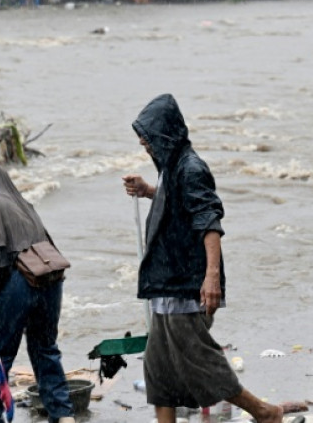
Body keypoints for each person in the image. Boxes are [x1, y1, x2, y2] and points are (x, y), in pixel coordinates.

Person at [121, 94, 284, 423]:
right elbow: (177, 203)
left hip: (187, 286)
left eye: (149, 139)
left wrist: (211, 278)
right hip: (167, 284)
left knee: (200, 360)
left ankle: (264, 412)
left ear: (166, 134)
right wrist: (150, 191)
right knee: (158, 367)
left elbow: (209, 222)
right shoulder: (172, 166)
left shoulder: (192, 168)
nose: (146, 146)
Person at [0, 166, 75, 423]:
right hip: (50, 280)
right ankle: (64, 416)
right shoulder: (23, 204)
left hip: (19, 281)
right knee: (45, 350)